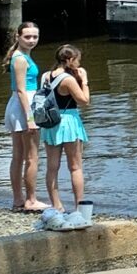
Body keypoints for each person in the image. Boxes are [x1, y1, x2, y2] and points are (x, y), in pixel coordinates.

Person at [40, 44, 92, 218]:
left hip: (51, 122)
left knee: (52, 167)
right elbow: (84, 100)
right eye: (77, 60)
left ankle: (56, 206)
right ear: (70, 60)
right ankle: (79, 208)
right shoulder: (68, 79)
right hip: (68, 121)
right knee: (75, 167)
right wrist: (84, 81)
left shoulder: (46, 76)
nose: (78, 64)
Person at [1, 17, 44, 212]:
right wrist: (30, 118)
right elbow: (20, 90)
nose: (32, 40)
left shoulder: (21, 55)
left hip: (18, 105)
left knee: (18, 156)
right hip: (24, 105)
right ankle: (31, 199)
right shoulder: (20, 59)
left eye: (35, 36)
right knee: (31, 157)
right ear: (18, 37)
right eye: (27, 37)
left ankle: (19, 199)